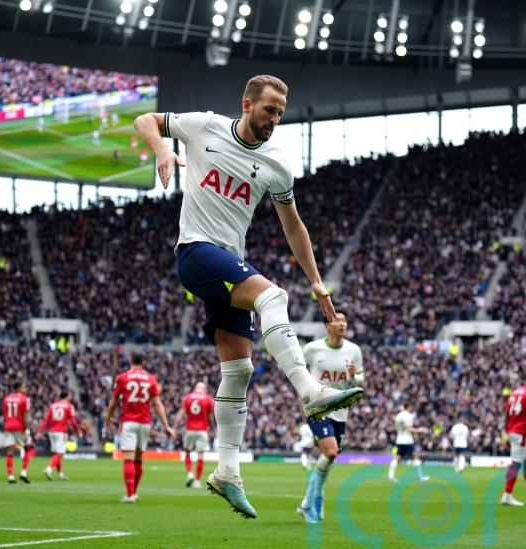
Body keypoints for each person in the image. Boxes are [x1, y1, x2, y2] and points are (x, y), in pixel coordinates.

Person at [134, 74, 363, 519]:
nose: (274, 119)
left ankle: (227, 473)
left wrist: (317, 282)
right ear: (247, 104)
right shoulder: (205, 126)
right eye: (268, 110)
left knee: (239, 369)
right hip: (196, 252)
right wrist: (162, 148)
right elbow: (146, 120)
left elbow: (293, 225)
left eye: (280, 113)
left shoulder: (277, 164)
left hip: (227, 262)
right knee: (272, 296)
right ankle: (310, 390)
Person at [297, 311, 364, 524]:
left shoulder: (353, 351)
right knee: (331, 452)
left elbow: (360, 382)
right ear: (327, 326)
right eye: (337, 320)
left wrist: (354, 375)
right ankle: (312, 503)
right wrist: (306, 393)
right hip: (318, 408)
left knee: (329, 459)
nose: (342, 323)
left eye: (344, 320)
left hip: (341, 411)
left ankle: (309, 501)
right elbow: (297, 369)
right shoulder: (312, 349)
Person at [105, 352, 175, 503]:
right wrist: (166, 426)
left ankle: (130, 495)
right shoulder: (151, 379)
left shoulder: (122, 377)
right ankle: (134, 493)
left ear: (131, 360)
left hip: (129, 422)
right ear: (143, 362)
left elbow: (113, 402)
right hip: (144, 423)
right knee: (138, 458)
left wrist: (109, 417)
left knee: (128, 459)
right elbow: (157, 404)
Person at [173, 382, 214, 488]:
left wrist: (175, 428)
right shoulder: (208, 399)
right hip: (202, 430)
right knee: (201, 455)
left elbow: (180, 415)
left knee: (187, 452)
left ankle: (190, 473)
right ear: (204, 389)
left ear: (195, 388)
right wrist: (209, 427)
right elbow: (210, 417)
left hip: (190, 429)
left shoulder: (188, 398)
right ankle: (197, 480)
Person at [37, 390, 81, 481]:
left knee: (57, 454)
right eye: (70, 395)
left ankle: (60, 474)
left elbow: (46, 420)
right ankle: (48, 469)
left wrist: (40, 432)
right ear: (67, 396)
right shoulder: (69, 406)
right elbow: (73, 421)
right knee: (59, 453)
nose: (71, 397)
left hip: (52, 432)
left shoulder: (53, 406)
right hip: (61, 432)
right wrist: (78, 431)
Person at [1, 378, 36, 484]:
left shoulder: (6, 399)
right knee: (30, 449)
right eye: (24, 387)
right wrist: (26, 428)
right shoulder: (25, 399)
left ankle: (11, 477)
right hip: (19, 427)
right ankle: (23, 473)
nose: (25, 389)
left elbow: (4, 414)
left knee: (10, 452)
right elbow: (26, 415)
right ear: (19, 388)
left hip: (8, 427)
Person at [387, 403, 429, 483]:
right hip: (407, 440)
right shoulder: (408, 416)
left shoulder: (398, 416)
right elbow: (409, 428)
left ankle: (390, 476)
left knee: (398, 458)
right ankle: (421, 477)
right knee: (415, 457)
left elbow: (397, 427)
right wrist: (420, 430)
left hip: (399, 440)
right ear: (409, 407)